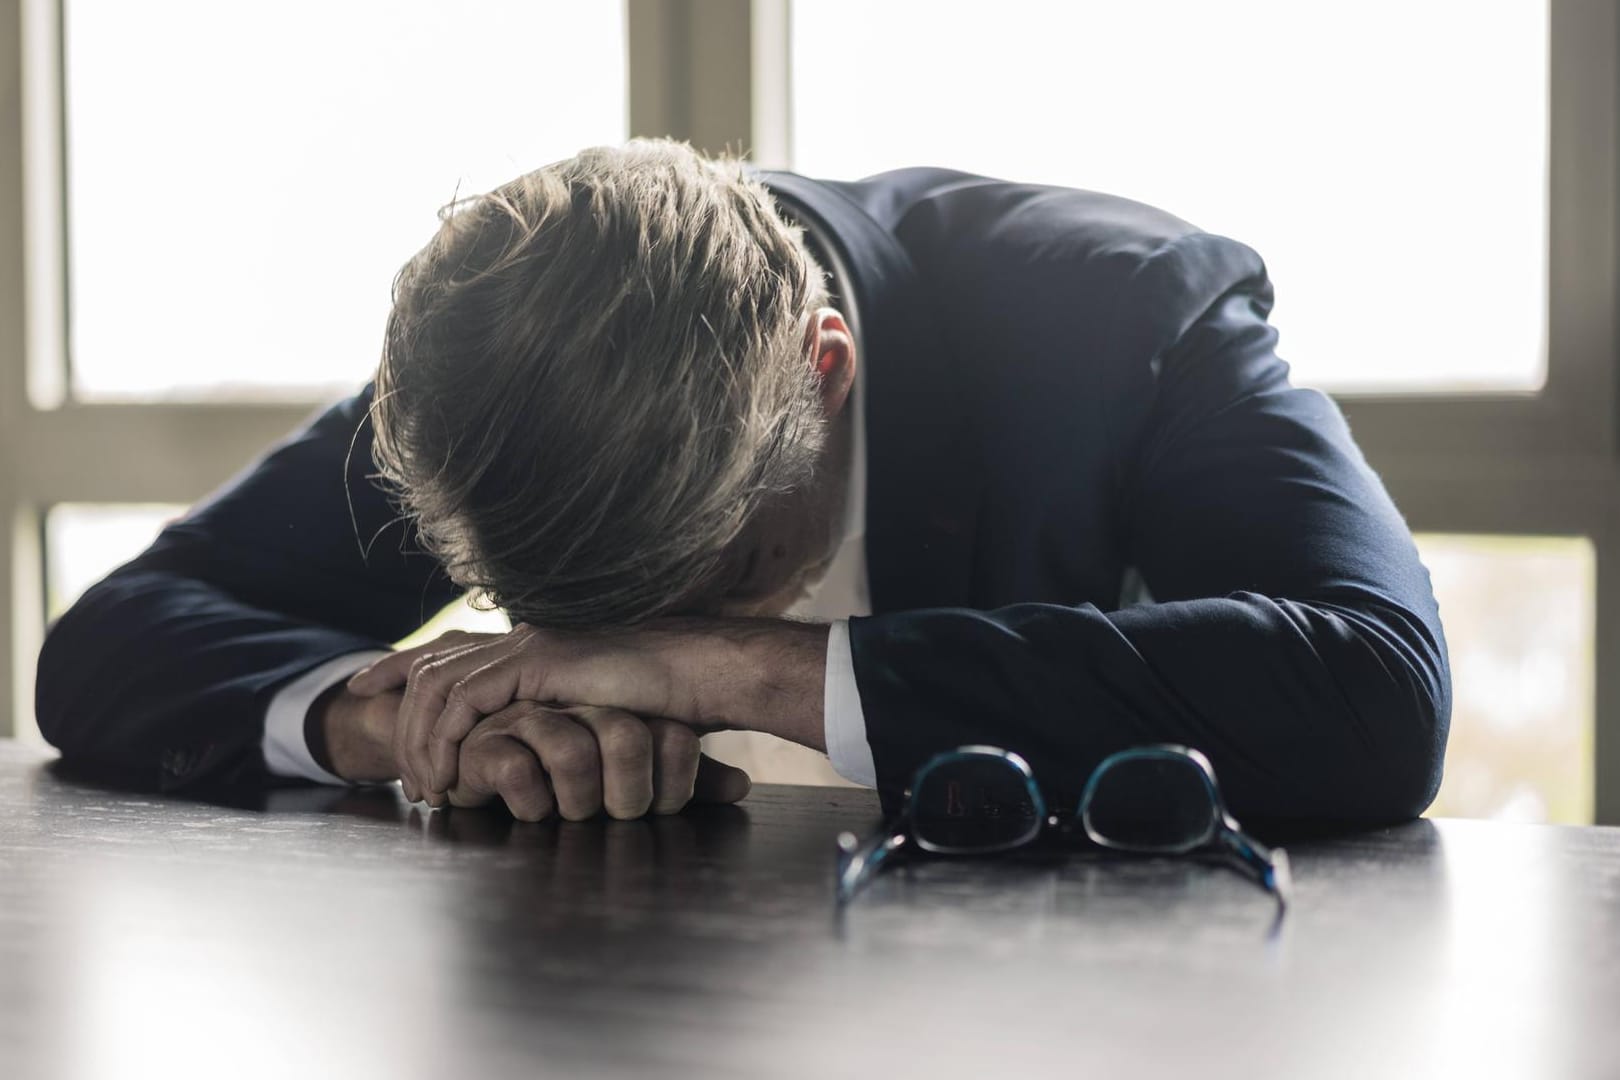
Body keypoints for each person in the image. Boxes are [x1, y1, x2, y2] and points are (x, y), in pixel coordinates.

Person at [35, 139, 1450, 825]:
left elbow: (1374, 691)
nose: (595, 654)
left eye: (696, 572)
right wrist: (387, 715)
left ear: (825, 369)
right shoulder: (516, 363)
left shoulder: (1126, 319)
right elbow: (116, 640)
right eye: (563, 616)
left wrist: (723, 668)